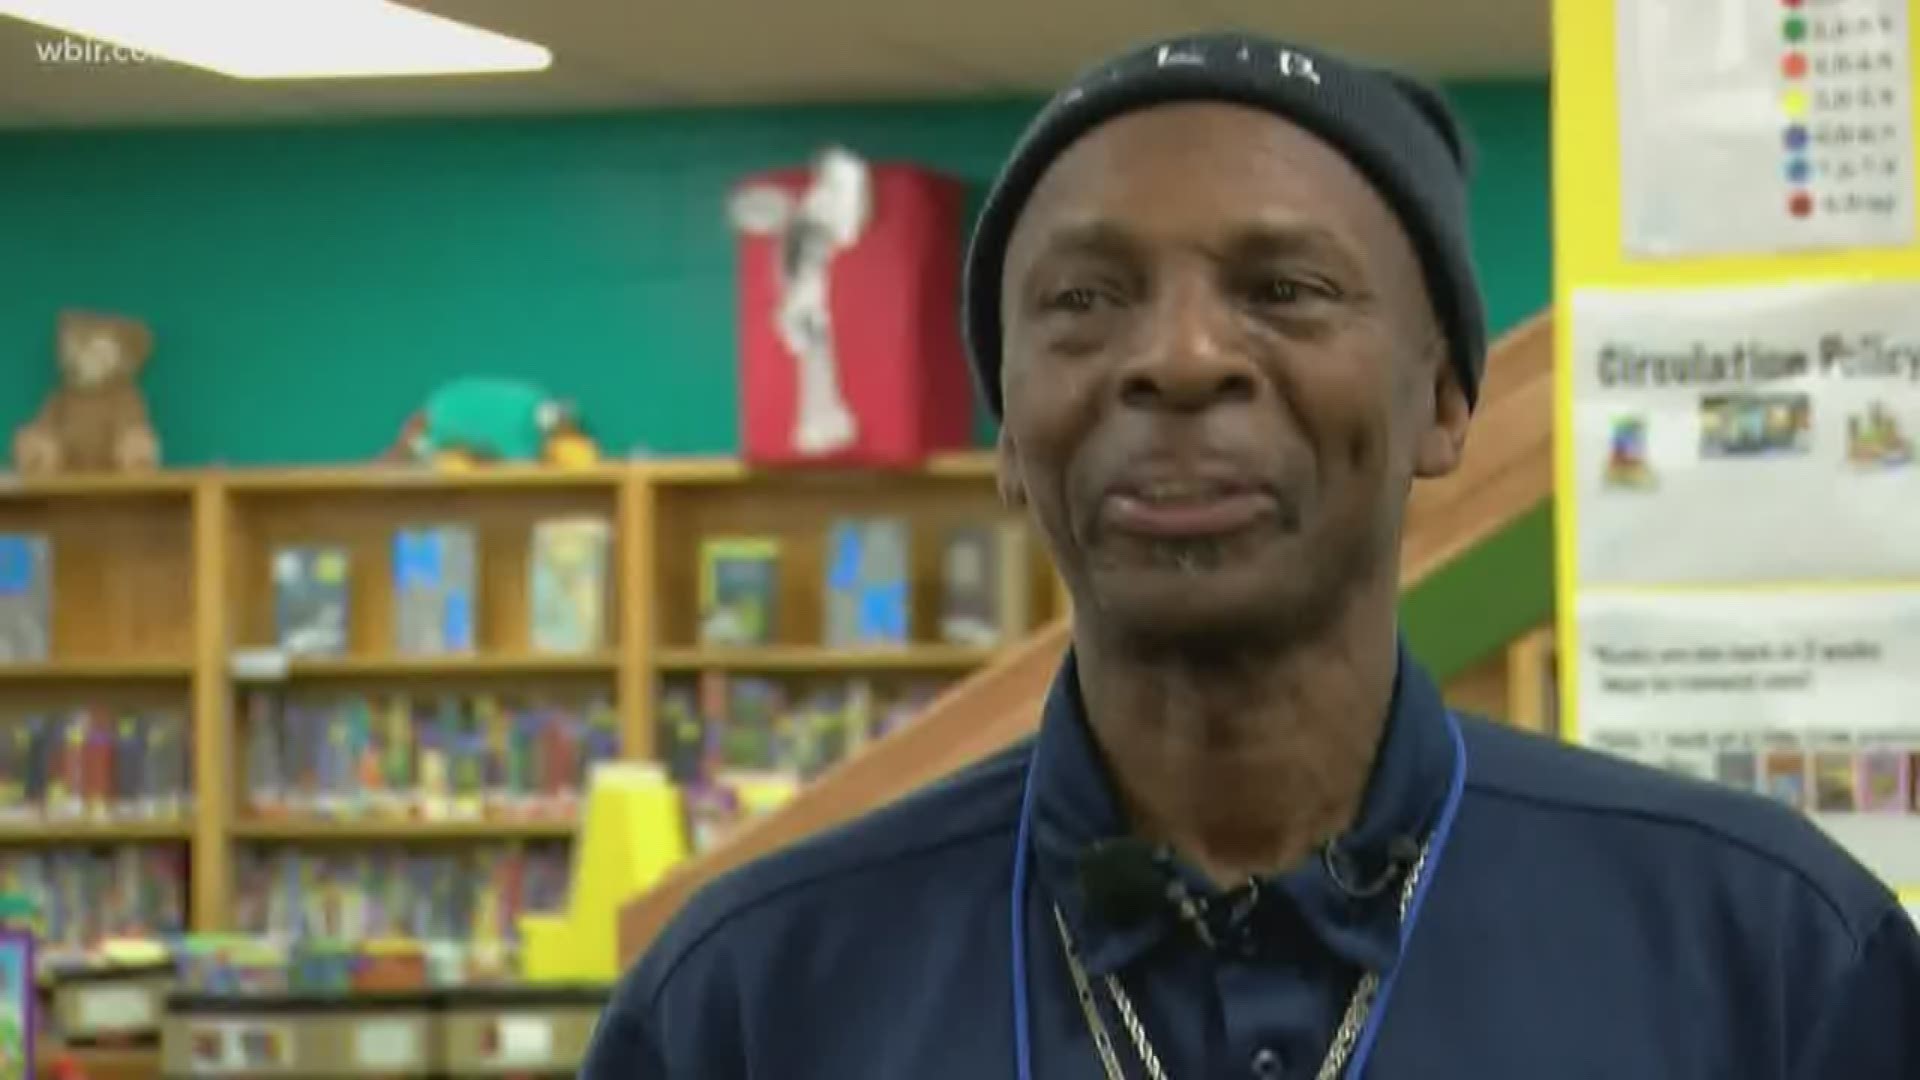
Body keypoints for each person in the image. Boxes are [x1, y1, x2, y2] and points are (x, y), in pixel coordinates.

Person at [579, 31, 1920, 1079]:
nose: (1178, 358)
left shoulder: (1771, 958)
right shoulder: (753, 1001)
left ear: (1446, 400)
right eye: (1085, 302)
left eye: (1284, 290)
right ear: (1006, 422)